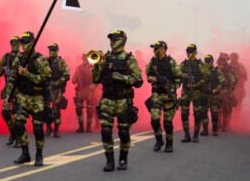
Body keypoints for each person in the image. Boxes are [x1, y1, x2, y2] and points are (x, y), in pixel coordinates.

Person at [92, 30, 143, 172]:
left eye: (114, 38)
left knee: (123, 132)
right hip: (107, 100)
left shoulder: (129, 59)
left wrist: (121, 77)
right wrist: (96, 66)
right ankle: (109, 161)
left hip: (123, 101)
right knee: (106, 131)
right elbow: (96, 79)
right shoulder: (105, 58)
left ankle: (123, 159)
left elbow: (138, 81)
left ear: (122, 40)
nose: (112, 41)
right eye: (111, 39)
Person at [5, 31, 52, 166]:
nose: (23, 45)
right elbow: (12, 79)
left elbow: (45, 79)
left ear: (32, 42)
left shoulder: (40, 59)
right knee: (18, 124)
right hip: (23, 97)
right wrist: (8, 97)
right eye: (22, 42)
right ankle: (25, 153)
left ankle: (39, 154)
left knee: (38, 128)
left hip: (37, 98)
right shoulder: (18, 59)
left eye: (26, 42)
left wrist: (28, 74)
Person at [145, 41, 182, 153]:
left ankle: (169, 143)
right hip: (156, 94)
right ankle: (159, 140)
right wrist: (151, 78)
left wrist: (171, 89)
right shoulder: (152, 62)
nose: (155, 50)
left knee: (167, 122)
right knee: (155, 120)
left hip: (168, 95)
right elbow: (147, 75)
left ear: (164, 49)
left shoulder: (171, 62)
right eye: (154, 48)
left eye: (157, 48)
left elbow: (179, 78)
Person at [179, 44, 209, 143]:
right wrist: (182, 75)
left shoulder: (200, 64)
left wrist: (196, 84)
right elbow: (176, 75)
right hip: (185, 92)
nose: (189, 54)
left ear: (195, 52)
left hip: (196, 92)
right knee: (184, 113)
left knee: (197, 114)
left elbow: (206, 77)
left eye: (191, 51)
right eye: (188, 51)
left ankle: (196, 135)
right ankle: (187, 135)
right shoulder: (183, 64)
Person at [0, 36, 21, 147]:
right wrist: (2, 70)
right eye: (12, 43)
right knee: (5, 112)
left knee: (17, 113)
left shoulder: (23, 57)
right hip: (8, 89)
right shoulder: (6, 57)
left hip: (20, 89)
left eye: (16, 43)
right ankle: (13, 132)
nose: (14, 45)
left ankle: (19, 138)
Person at [45, 43, 70, 138]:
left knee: (56, 109)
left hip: (56, 89)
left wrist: (57, 83)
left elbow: (67, 75)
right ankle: (48, 127)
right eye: (50, 50)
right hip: (47, 88)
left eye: (53, 50)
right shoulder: (45, 61)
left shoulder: (61, 62)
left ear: (57, 51)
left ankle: (56, 129)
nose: (51, 52)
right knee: (45, 109)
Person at [72, 53, 98, 133]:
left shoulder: (93, 68)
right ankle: (81, 127)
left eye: (86, 58)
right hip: (80, 90)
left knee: (90, 109)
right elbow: (74, 79)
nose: (85, 60)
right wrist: (75, 79)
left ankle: (88, 127)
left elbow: (97, 79)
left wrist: (93, 86)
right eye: (84, 58)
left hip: (89, 91)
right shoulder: (78, 68)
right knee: (79, 109)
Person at [200, 54, 225, 136]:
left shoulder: (217, 71)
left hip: (214, 95)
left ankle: (214, 130)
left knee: (214, 113)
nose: (207, 63)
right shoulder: (202, 71)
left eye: (208, 61)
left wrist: (216, 90)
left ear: (212, 61)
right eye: (205, 61)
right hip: (204, 95)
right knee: (203, 113)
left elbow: (222, 82)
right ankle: (205, 130)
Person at [216, 53, 237, 132]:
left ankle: (222, 125)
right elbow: (234, 81)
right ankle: (223, 125)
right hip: (224, 91)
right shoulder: (229, 69)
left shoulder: (226, 69)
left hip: (222, 91)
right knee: (225, 109)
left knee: (222, 108)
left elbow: (233, 81)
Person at [229, 53, 247, 125]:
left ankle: (236, 121)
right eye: (231, 58)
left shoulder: (241, 66)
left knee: (238, 106)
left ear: (237, 58)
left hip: (239, 89)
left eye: (234, 58)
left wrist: (239, 70)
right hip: (229, 89)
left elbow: (245, 77)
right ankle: (227, 123)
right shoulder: (228, 66)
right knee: (228, 106)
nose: (232, 59)